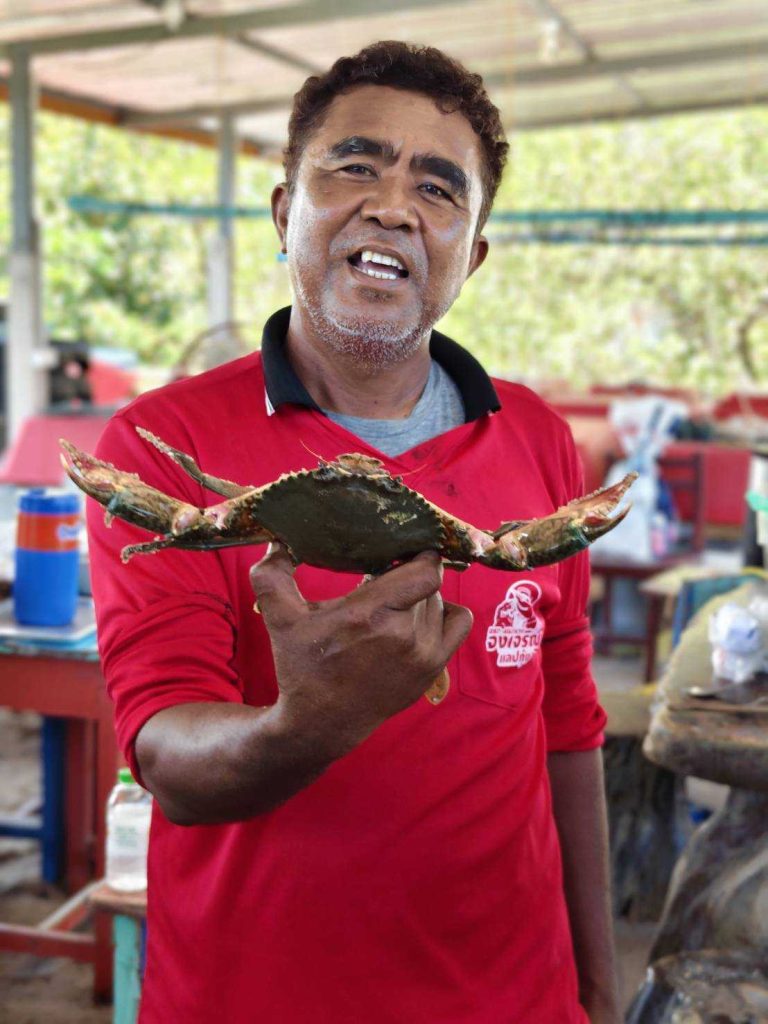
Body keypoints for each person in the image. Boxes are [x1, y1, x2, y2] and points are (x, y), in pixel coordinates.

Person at [88, 41, 620, 1024]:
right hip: (249, 1000)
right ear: (284, 210)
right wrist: (310, 721)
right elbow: (165, 756)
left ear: (472, 252)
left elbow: (568, 724)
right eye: (355, 166)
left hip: (516, 997)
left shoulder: (540, 442)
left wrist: (597, 986)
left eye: (438, 188)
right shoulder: (163, 449)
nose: (393, 206)